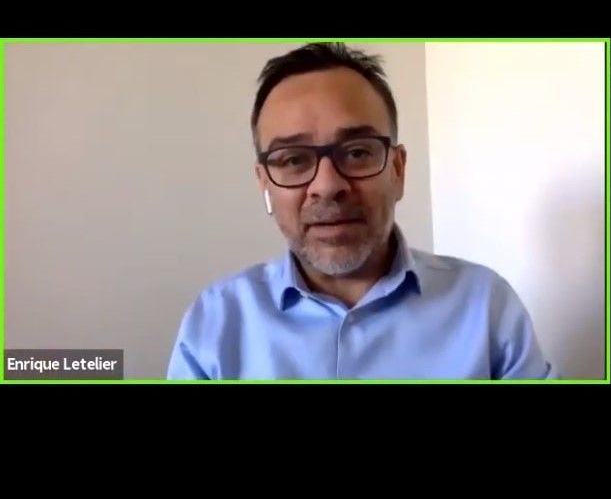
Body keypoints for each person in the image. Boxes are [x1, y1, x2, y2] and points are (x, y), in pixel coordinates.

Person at [168, 43, 557, 379]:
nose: (327, 186)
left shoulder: (486, 306)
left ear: (398, 170)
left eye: (356, 153)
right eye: (293, 160)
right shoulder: (215, 321)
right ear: (264, 182)